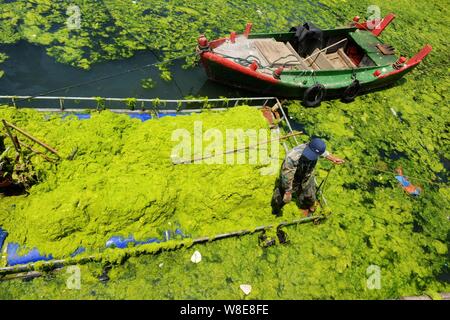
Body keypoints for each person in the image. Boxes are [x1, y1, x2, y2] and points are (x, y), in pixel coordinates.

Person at [272, 137, 344, 216]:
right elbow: (286, 176)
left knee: (309, 196)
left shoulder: (316, 150)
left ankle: (306, 207)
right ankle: (275, 210)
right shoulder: (292, 156)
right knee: (280, 198)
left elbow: (322, 152)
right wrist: (288, 191)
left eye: (314, 155)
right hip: (292, 177)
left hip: (306, 175)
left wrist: (332, 158)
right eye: (310, 154)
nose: (310, 156)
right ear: (308, 146)